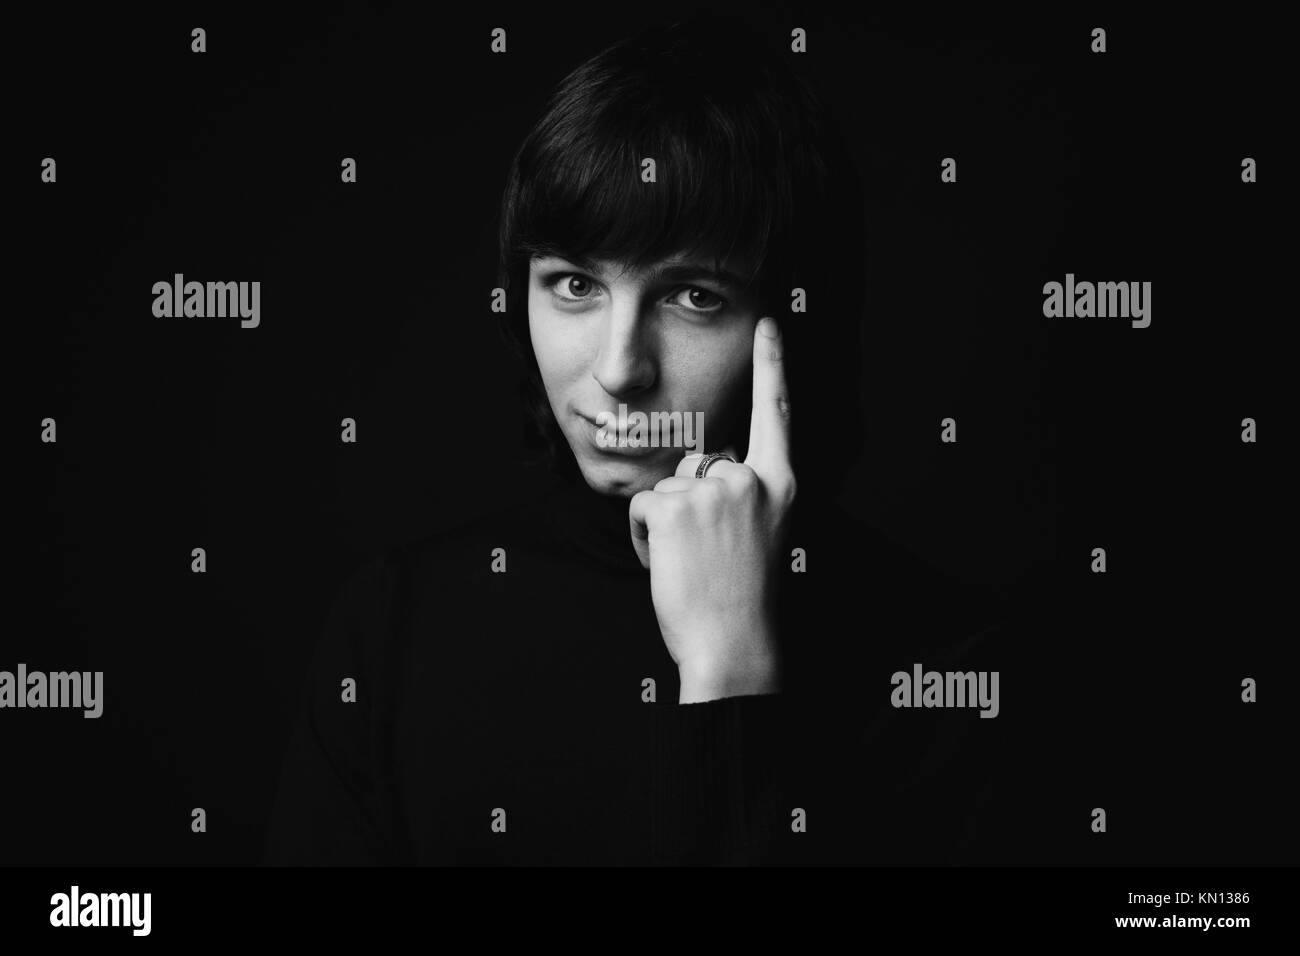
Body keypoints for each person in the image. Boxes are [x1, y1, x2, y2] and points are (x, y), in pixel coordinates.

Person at [264, 14, 1007, 866]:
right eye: (574, 284)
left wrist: (732, 673)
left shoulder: (946, 667)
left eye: (692, 297)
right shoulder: (393, 627)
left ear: (795, 319)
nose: (620, 369)